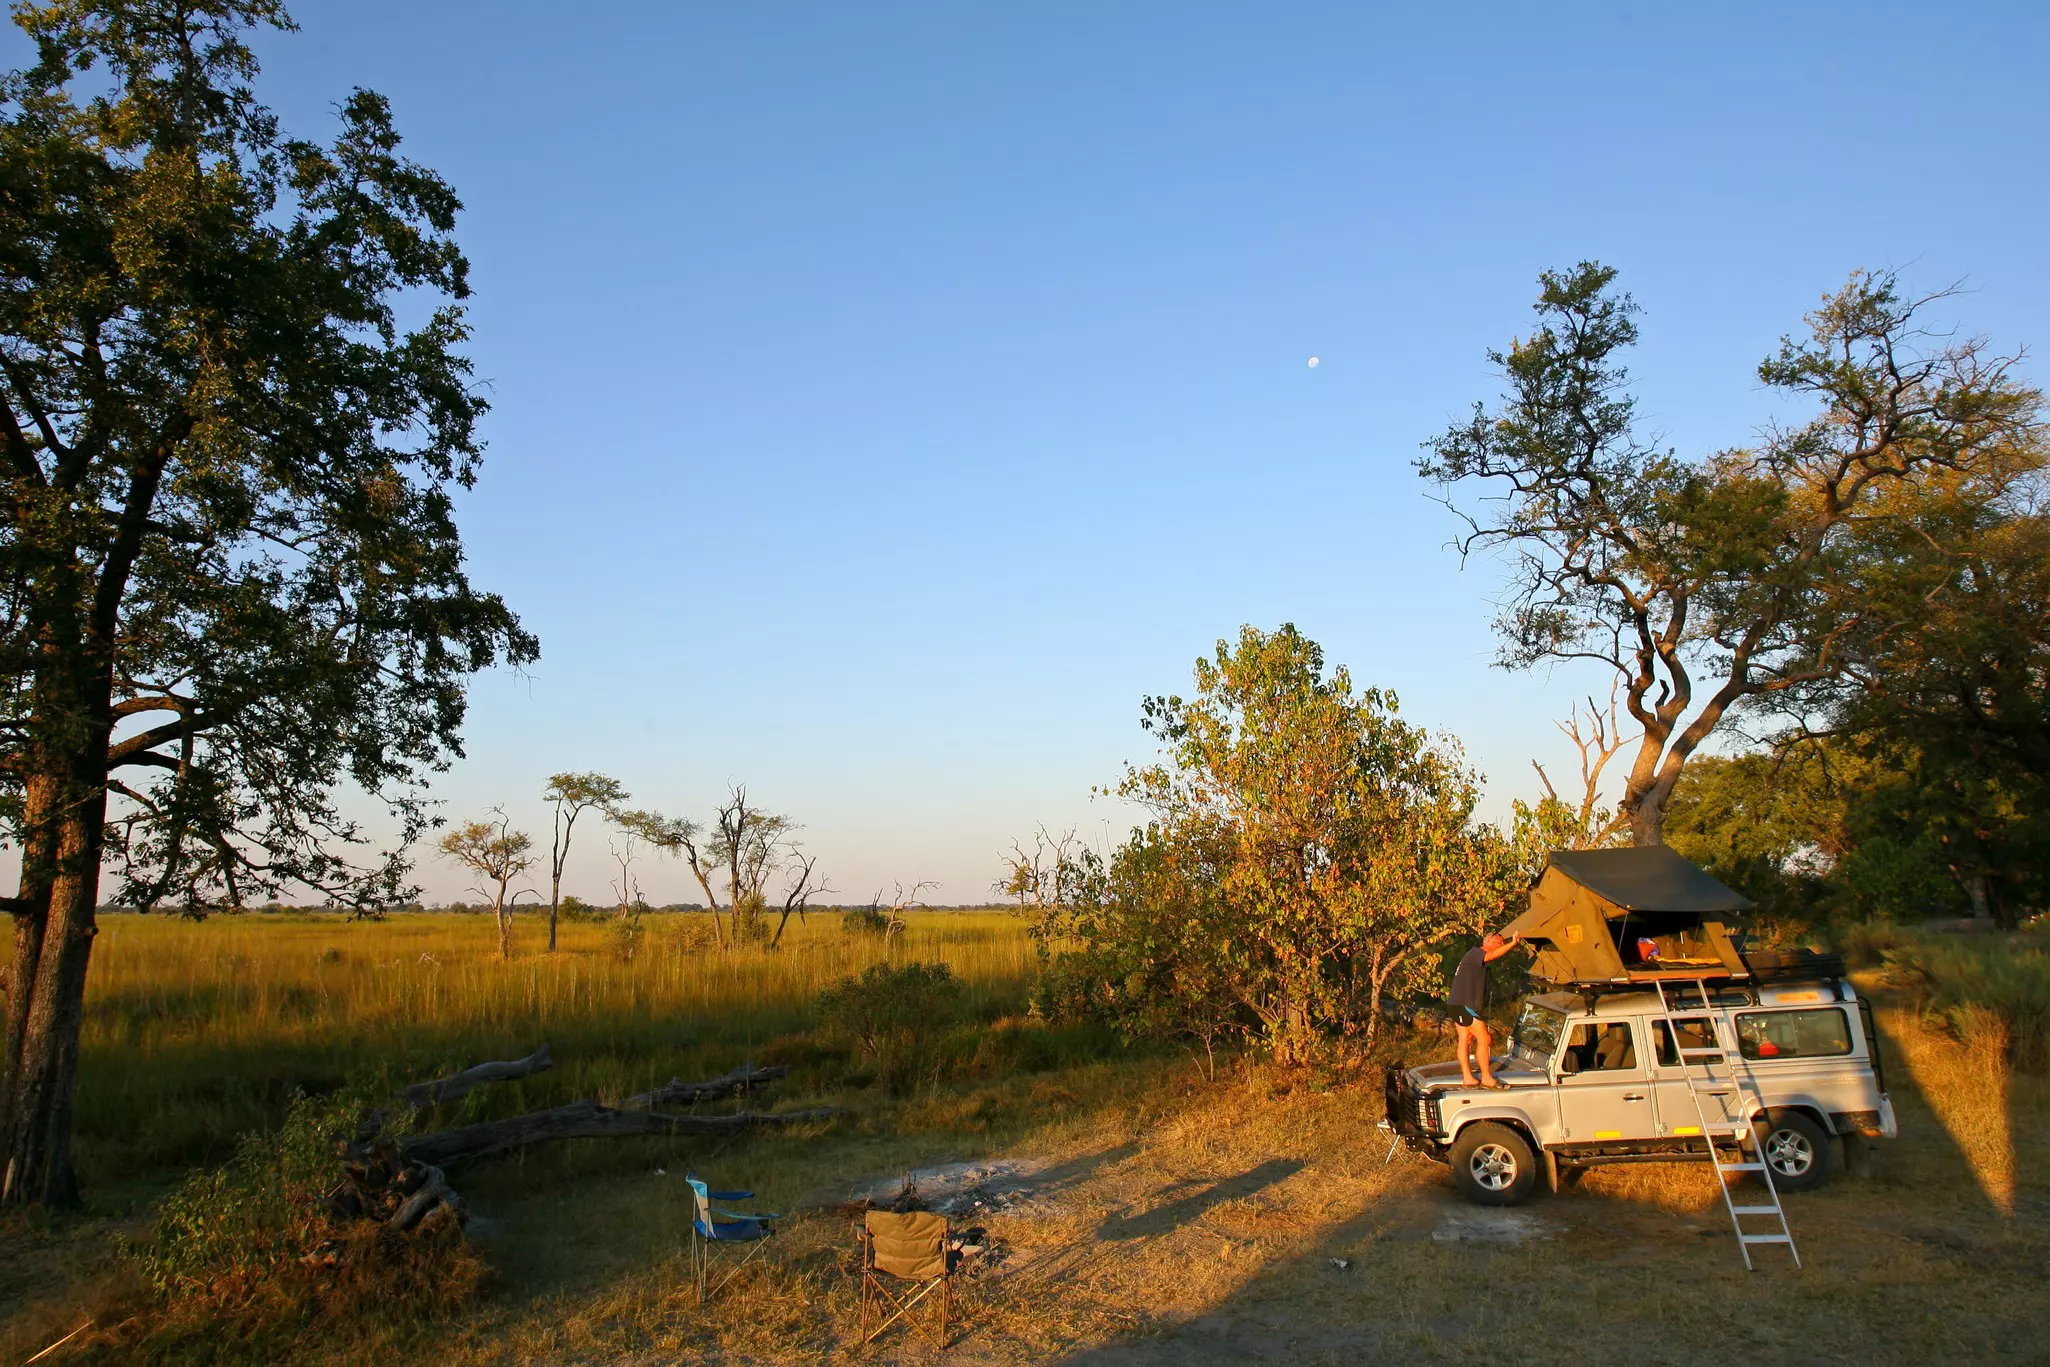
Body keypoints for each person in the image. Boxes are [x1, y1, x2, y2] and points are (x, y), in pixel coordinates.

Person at [1448, 931, 1521, 1089]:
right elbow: (1493, 955)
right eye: (1499, 943)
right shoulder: (1476, 953)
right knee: (1485, 1038)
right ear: (1488, 940)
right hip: (1463, 1005)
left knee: (1465, 1039)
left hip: (1455, 1004)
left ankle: (1468, 1078)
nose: (1501, 946)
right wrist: (1512, 943)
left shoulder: (1474, 957)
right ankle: (1487, 1077)